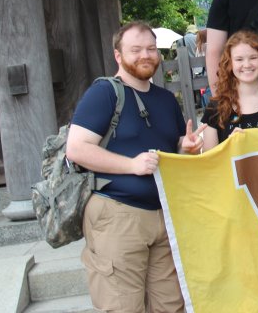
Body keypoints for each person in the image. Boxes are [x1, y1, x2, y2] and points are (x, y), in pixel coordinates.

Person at [66, 21, 205, 313]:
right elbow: (77, 149)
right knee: (123, 306)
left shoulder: (166, 99)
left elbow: (171, 148)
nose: (146, 55)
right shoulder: (104, 93)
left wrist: (186, 147)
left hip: (163, 215)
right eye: (136, 49)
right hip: (117, 214)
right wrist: (131, 165)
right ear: (118, 55)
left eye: (151, 49)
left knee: (171, 306)